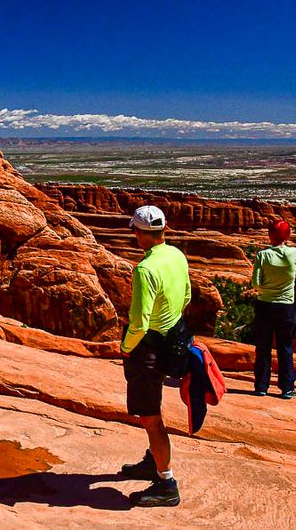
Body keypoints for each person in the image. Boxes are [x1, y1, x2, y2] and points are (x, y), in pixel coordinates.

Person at [119, 205, 191, 508]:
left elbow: (139, 321)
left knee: (150, 417)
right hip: (174, 337)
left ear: (138, 233)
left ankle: (166, 482)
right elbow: (186, 294)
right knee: (153, 405)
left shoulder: (145, 269)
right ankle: (152, 462)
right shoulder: (176, 255)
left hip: (148, 346)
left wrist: (126, 347)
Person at [251, 219, 296, 400]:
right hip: (286, 306)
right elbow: (294, 271)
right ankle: (287, 388)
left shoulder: (262, 256)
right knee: (285, 347)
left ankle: (261, 386)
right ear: (288, 235)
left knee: (263, 347)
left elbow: (255, 283)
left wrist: (266, 288)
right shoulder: (294, 253)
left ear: (270, 235)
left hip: (265, 304)